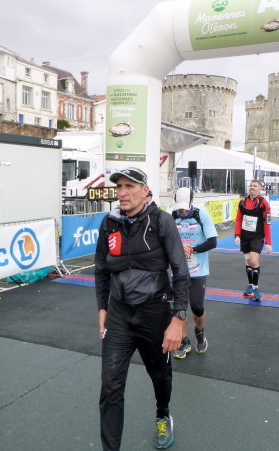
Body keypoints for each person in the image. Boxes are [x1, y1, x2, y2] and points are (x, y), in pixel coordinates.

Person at [94, 167, 189, 450]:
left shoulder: (162, 221)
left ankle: (163, 414)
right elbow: (101, 269)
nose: (122, 193)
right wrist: (102, 308)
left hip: (155, 313)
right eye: (119, 187)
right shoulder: (109, 223)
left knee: (160, 376)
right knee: (110, 384)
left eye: (130, 186)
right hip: (119, 315)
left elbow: (181, 271)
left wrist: (178, 318)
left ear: (145, 191)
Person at [171, 187, 218, 359]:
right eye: (180, 208)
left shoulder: (201, 216)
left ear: (191, 201)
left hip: (198, 269)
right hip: (179, 270)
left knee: (197, 307)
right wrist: (177, 248)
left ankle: (199, 332)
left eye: (185, 207)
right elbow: (164, 241)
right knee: (179, 308)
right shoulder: (172, 217)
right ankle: (184, 342)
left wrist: (192, 249)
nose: (182, 211)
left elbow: (212, 242)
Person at [234, 180, 273, 301]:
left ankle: (256, 288)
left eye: (255, 186)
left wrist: (268, 242)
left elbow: (267, 223)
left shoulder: (264, 203)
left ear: (260, 189)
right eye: (251, 185)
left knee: (254, 261)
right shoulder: (242, 202)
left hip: (257, 237)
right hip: (245, 236)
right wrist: (237, 235)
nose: (252, 187)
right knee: (248, 262)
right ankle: (250, 285)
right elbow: (238, 219)